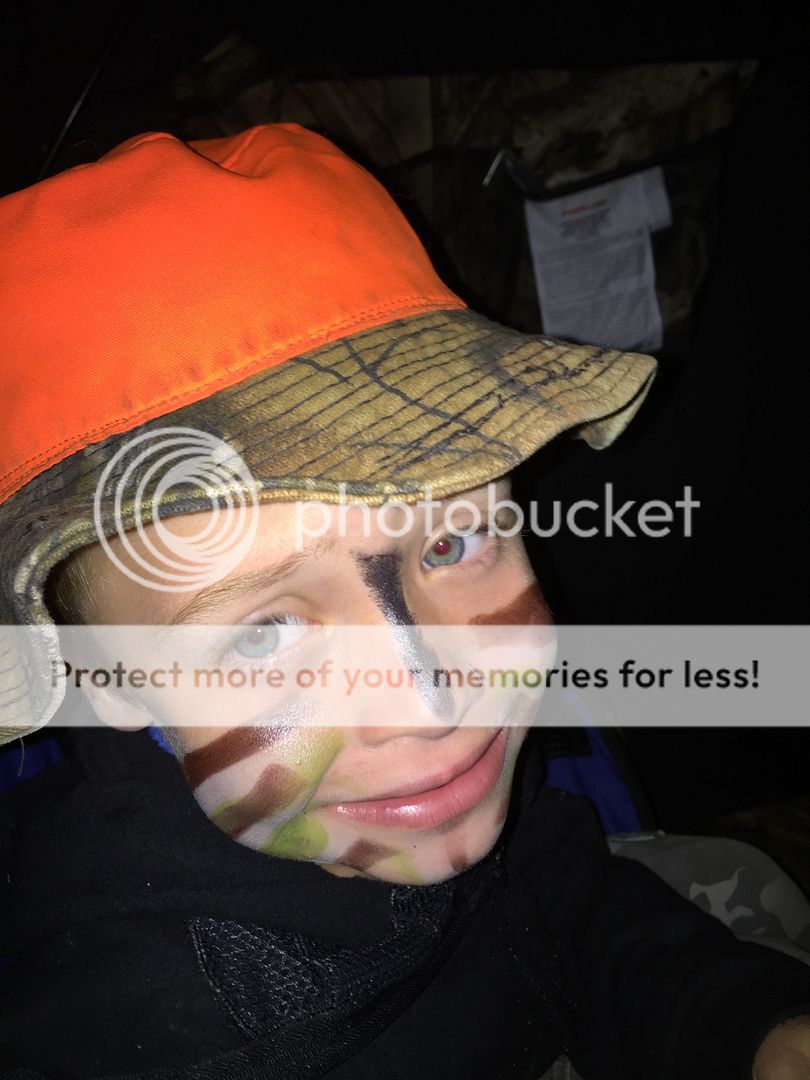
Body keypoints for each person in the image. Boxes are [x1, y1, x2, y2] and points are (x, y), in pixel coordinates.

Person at [0, 123, 807, 1079]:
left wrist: (744, 1028)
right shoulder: (155, 1032)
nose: (433, 704)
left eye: (453, 543)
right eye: (267, 632)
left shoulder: (395, 789)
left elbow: (542, 877)